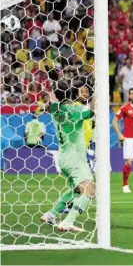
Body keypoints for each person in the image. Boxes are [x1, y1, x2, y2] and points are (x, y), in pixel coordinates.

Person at [40, 81, 96, 232]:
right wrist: (97, 92)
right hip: (75, 158)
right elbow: (92, 112)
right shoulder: (73, 110)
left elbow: (50, 101)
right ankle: (67, 222)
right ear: (71, 94)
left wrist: (53, 84)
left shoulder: (54, 109)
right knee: (90, 190)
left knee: (76, 190)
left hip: (63, 156)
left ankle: (51, 214)